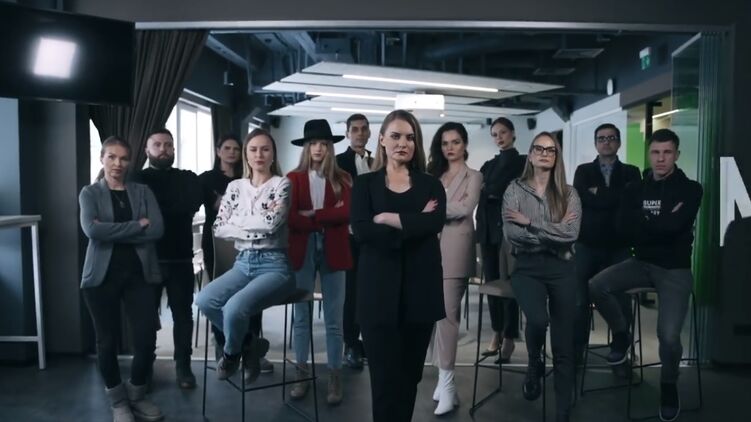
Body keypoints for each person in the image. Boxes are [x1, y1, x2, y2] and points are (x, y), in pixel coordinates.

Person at [589, 128, 702, 422]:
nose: (661, 158)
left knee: (669, 337)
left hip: (675, 269)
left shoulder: (691, 189)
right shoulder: (634, 189)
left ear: (677, 155)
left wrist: (644, 221)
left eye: (667, 152)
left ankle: (668, 385)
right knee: (597, 285)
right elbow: (623, 228)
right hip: (640, 263)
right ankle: (622, 334)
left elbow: (674, 227)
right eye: (655, 152)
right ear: (649, 155)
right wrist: (658, 222)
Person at [350, 109, 446, 422]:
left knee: (409, 378)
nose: (403, 143)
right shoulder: (364, 184)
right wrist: (413, 224)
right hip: (377, 294)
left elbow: (434, 223)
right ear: (381, 140)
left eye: (409, 137)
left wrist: (387, 218)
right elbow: (362, 230)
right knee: (383, 381)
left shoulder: (431, 185)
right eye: (395, 136)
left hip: (421, 292)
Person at [195, 129, 295, 381]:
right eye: (253, 149)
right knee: (205, 300)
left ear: (273, 154)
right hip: (242, 264)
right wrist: (256, 220)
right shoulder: (235, 187)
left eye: (265, 149)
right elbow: (219, 227)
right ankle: (249, 344)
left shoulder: (282, 184)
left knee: (234, 308)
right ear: (246, 156)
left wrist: (238, 221)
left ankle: (231, 354)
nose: (259, 154)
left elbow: (271, 224)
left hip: (275, 266)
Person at [79, 136, 165, 422]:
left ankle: (137, 395)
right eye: (111, 157)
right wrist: (136, 225)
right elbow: (92, 231)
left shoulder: (142, 191)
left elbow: (157, 230)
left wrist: (111, 230)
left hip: (139, 275)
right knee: (106, 342)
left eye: (123, 158)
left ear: (130, 161)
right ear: (102, 158)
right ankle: (118, 402)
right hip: (101, 277)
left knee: (146, 338)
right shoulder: (89, 193)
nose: (117, 163)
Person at [502, 132, 581, 422]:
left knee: (563, 344)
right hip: (527, 268)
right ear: (531, 154)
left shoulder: (569, 194)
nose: (545, 153)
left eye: (551, 150)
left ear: (557, 156)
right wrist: (552, 232)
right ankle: (534, 361)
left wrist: (531, 224)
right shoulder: (515, 189)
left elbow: (572, 234)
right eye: (539, 148)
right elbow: (513, 234)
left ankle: (562, 413)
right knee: (537, 320)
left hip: (562, 268)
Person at [287, 119, 353, 405]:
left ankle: (335, 375)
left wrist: (313, 215)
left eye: (323, 144)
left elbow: (347, 212)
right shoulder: (293, 178)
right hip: (302, 248)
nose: (318, 148)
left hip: (334, 248)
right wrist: (327, 216)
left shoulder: (342, 178)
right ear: (306, 147)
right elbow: (289, 217)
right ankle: (301, 373)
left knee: (334, 319)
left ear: (329, 148)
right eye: (313, 143)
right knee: (301, 316)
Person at [136, 128, 202, 389]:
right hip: (147, 259)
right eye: (157, 145)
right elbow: (138, 212)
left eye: (168, 145)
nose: (163, 149)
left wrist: (154, 212)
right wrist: (172, 209)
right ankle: (145, 366)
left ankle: (183, 366)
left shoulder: (188, 178)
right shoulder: (137, 179)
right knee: (146, 317)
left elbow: (189, 206)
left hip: (180, 259)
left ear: (174, 149)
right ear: (147, 150)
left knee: (183, 316)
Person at [426, 122, 482, 415]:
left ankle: (447, 383)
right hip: (429, 251)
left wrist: (433, 210)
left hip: (457, 251)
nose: (450, 147)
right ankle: (443, 380)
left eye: (456, 142)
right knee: (435, 316)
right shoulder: (433, 175)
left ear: (465, 144)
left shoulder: (475, 176)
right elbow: (423, 205)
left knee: (448, 316)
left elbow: (465, 208)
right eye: (445, 142)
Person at [573, 123, 641, 361]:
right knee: (579, 297)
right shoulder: (583, 171)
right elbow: (582, 199)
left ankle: (621, 348)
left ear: (619, 142)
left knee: (621, 297)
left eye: (611, 138)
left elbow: (630, 201)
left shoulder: (632, 172)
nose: (606, 142)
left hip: (619, 245)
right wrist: (616, 196)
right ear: (595, 144)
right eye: (601, 138)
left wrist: (598, 195)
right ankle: (577, 348)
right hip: (587, 244)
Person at [475, 117, 525, 362]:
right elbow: (482, 192)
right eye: (494, 134)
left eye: (503, 132)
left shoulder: (523, 162)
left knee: (509, 285)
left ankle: (510, 335)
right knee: (492, 284)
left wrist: (491, 189)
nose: (499, 138)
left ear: (513, 133)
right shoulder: (488, 164)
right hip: (486, 229)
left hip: (507, 231)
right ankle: (496, 331)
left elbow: (506, 191)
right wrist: (490, 190)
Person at [335, 113, 372, 369]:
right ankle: (350, 344)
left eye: (363, 129)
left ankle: (366, 341)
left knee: (370, 291)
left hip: (373, 236)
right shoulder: (338, 163)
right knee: (350, 293)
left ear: (369, 133)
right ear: (348, 133)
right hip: (348, 236)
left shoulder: (378, 161)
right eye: (355, 129)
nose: (359, 133)